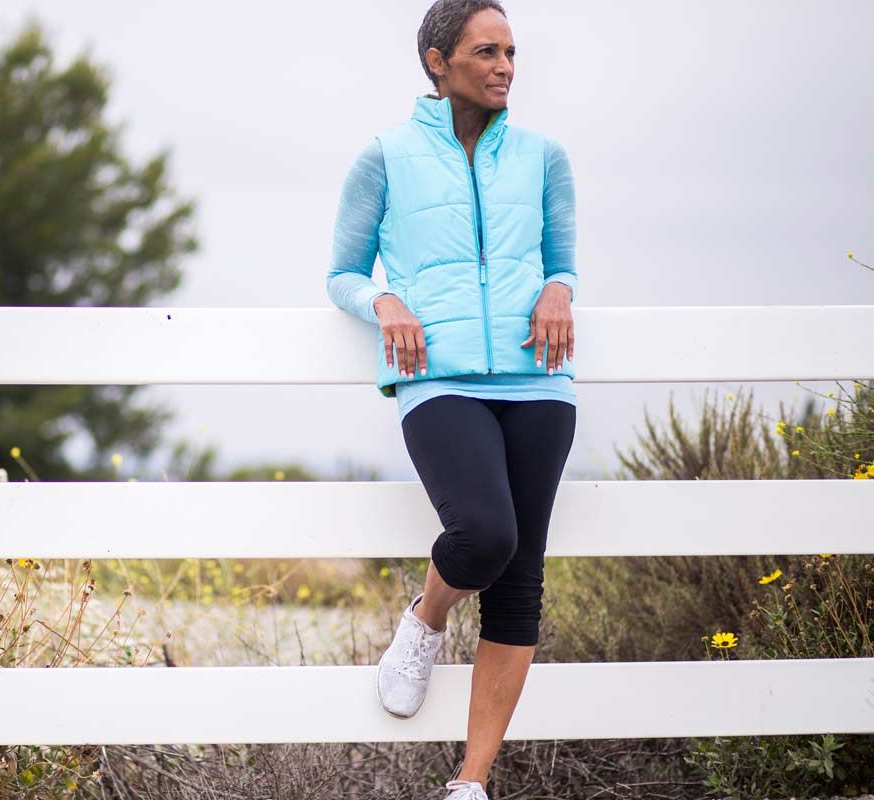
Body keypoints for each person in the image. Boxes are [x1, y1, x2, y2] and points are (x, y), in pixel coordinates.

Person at [325, 1, 578, 797]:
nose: (505, 66)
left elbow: (563, 259)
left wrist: (559, 291)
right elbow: (342, 272)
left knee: (521, 579)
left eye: (511, 52)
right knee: (484, 536)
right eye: (485, 51)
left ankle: (469, 783)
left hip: (540, 382)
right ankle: (426, 618)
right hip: (439, 381)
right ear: (438, 62)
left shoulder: (543, 156)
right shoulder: (386, 156)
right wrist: (384, 305)